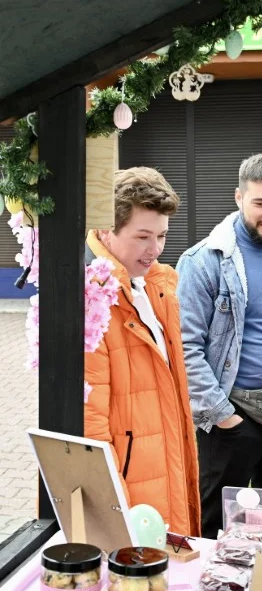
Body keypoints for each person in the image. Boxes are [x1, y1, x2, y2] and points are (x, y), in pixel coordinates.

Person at [176, 154, 262, 539]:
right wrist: (223, 417)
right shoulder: (203, 261)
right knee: (216, 529)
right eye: (261, 203)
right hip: (233, 418)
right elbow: (186, 347)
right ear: (239, 198)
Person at [85, 167, 200, 536]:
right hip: (132, 497)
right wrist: (114, 512)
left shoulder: (158, 288)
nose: (155, 250)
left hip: (167, 475)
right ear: (106, 231)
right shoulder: (93, 301)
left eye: (163, 236)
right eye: (143, 237)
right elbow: (91, 427)